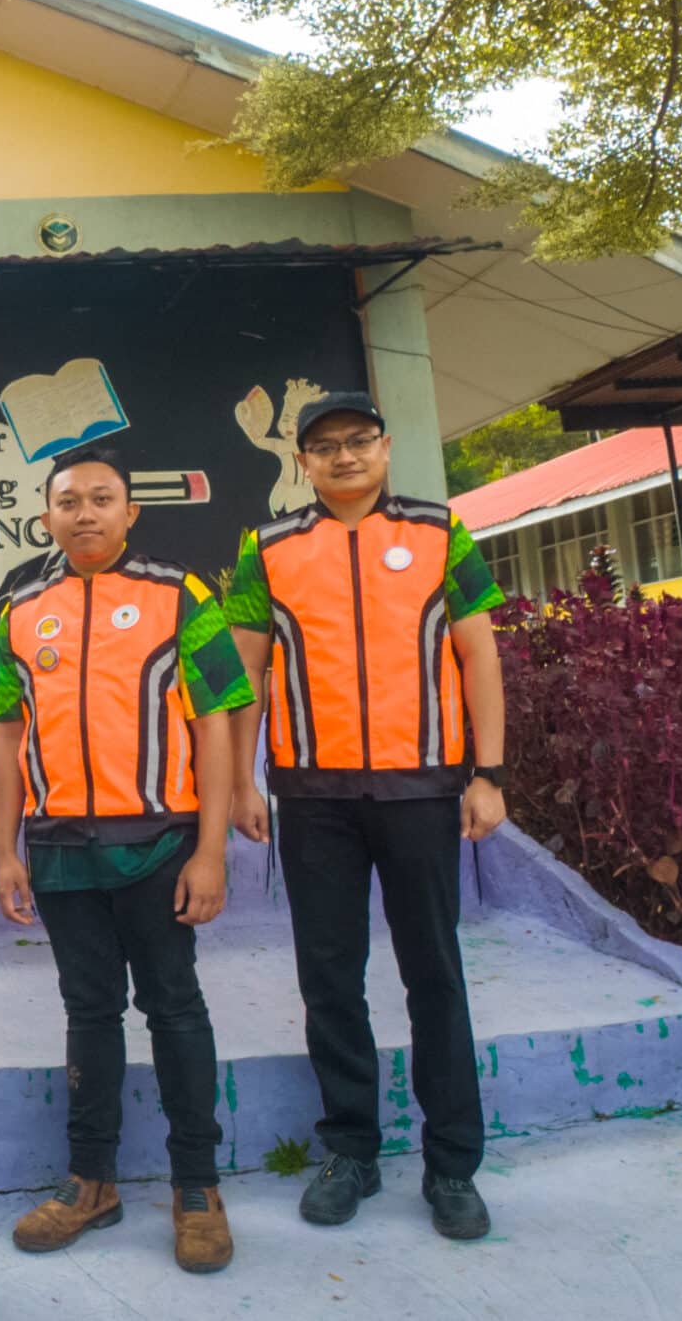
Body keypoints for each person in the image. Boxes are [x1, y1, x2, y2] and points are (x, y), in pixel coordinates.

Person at [224, 390, 508, 1241]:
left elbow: (479, 650)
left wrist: (487, 773)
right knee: (330, 980)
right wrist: (241, 779)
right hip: (314, 798)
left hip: (424, 790)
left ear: (384, 449)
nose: (343, 456)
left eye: (358, 441)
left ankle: (452, 1165)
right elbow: (244, 671)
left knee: (436, 976)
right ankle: (350, 1151)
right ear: (302, 463)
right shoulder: (265, 548)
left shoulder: (439, 532)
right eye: (324, 446)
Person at [0, 445, 249, 1273]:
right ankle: (91, 1181)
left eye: (103, 498)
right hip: (60, 851)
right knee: (89, 1013)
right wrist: (4, 850)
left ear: (132, 512)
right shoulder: (20, 608)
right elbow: (6, 733)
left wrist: (210, 850)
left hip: (162, 845)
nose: (86, 512)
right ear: (46, 517)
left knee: (173, 1006)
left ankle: (196, 1185)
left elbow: (215, 719)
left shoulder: (182, 596)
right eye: (70, 501)